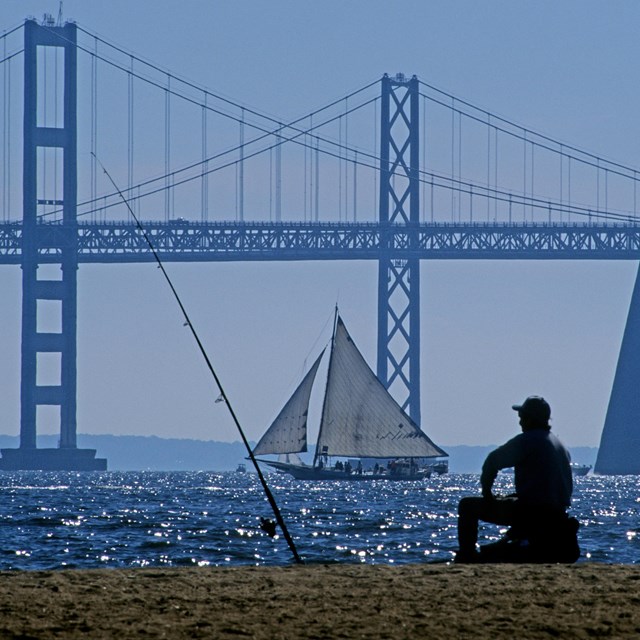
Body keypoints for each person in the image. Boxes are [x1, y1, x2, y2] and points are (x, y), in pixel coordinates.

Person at [456, 396, 573, 563]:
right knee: (512, 498)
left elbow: (492, 462)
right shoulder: (559, 444)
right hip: (556, 514)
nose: (520, 423)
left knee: (467, 506)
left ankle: (467, 555)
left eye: (522, 417)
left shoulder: (528, 440)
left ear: (530, 419)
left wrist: (487, 493)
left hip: (531, 512)